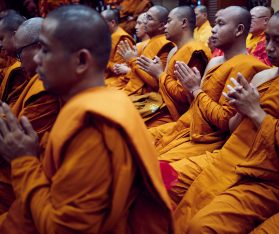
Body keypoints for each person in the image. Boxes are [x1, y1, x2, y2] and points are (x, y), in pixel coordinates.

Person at [0, 5, 174, 233]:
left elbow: (65, 229)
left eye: (46, 50)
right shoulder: (99, 101)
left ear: (82, 60)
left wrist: (23, 161)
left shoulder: (91, 128)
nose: (38, 59)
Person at [172, 5, 279, 233]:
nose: (268, 47)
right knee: (166, 186)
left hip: (270, 177)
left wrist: (256, 112)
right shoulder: (260, 76)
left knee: (201, 226)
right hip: (229, 156)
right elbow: (233, 127)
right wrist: (241, 109)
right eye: (267, 39)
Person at [149, 6, 269, 162]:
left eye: (220, 23)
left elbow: (225, 121)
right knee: (139, 137)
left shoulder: (248, 67)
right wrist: (189, 89)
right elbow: (195, 106)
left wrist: (195, 89)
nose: (213, 29)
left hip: (208, 139)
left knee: (154, 165)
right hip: (186, 125)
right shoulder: (214, 62)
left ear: (239, 30)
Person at [0, 17, 61, 216]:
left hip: (19, 178)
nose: (18, 60)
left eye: (19, 53)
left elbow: (18, 142)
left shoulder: (46, 87)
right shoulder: (37, 78)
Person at [135, 6, 211, 127]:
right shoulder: (175, 50)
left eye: (169, 21)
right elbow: (163, 87)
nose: (165, 26)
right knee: (126, 109)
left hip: (174, 113)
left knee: (134, 128)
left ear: (184, 23)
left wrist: (159, 74)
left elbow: (183, 96)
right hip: (160, 104)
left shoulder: (195, 51)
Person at [118, 5, 175, 95]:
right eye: (145, 17)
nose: (144, 22)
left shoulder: (165, 45)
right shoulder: (149, 43)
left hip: (149, 99)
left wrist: (132, 60)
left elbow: (156, 84)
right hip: (133, 90)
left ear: (161, 25)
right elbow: (138, 74)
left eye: (149, 18)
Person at [110, 12, 149, 89]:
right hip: (125, 81)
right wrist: (122, 67)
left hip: (138, 87)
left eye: (139, 23)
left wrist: (127, 70)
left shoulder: (150, 45)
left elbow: (151, 78)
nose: (136, 27)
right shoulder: (140, 45)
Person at [0, 11, 27, 107]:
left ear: (15, 35)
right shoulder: (13, 58)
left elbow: (13, 107)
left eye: (1, 38)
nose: (0, 44)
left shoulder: (19, 70)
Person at [101, 9, 134, 85]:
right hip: (105, 74)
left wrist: (106, 63)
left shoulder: (122, 39)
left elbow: (117, 69)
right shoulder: (108, 36)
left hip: (117, 79)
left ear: (112, 23)